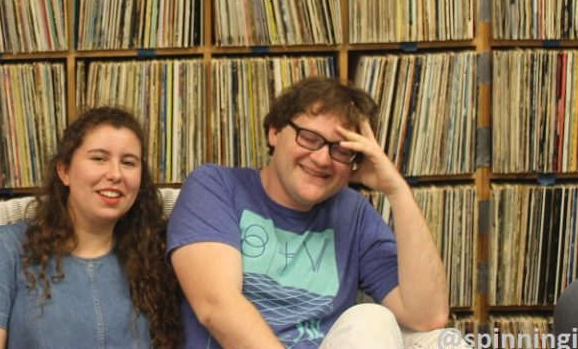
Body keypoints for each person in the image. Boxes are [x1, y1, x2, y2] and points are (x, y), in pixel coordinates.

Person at [168, 77, 453, 349]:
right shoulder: (216, 186)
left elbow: (426, 316)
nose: (321, 159)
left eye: (341, 150)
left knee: (373, 318)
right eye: (309, 138)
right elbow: (216, 306)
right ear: (275, 132)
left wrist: (396, 189)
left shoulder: (353, 213)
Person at [0, 106, 181, 349]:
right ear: (64, 171)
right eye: (99, 158)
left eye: (128, 163)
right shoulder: (3, 248)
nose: (115, 174)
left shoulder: (157, 257)